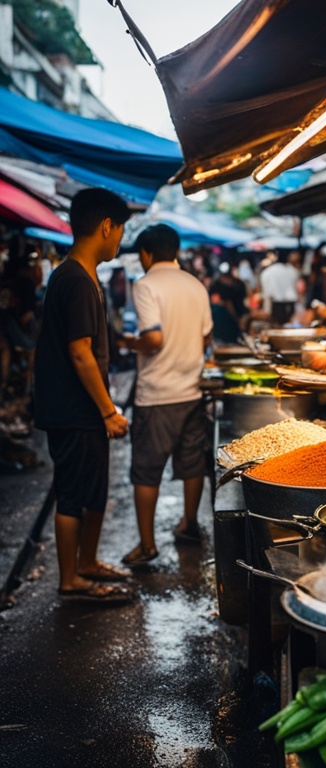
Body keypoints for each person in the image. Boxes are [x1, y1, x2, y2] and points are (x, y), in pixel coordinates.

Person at [34, 187, 133, 603]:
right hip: (73, 409)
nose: (120, 239)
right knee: (73, 495)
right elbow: (80, 352)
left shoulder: (84, 275)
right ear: (106, 226)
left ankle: (88, 563)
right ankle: (71, 579)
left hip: (83, 409)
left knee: (93, 491)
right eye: (120, 230)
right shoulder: (74, 278)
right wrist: (108, 410)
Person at [116, 224, 213, 565]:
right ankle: (189, 523)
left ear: (146, 253)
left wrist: (129, 342)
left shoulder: (145, 285)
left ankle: (147, 545)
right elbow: (205, 339)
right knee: (191, 463)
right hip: (192, 390)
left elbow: (153, 339)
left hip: (157, 394)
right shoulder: (195, 285)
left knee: (146, 469)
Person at [258, 250, 300, 325]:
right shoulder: (292, 270)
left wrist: (267, 309)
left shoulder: (268, 272)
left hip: (276, 305)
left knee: (277, 326)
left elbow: (267, 293)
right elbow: (295, 289)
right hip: (289, 304)